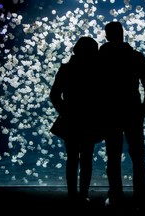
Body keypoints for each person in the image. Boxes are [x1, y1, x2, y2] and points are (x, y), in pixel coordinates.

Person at [98, 21, 145, 211]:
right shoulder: (135, 56)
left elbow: (92, 85)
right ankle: (142, 195)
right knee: (138, 154)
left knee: (113, 155)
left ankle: (115, 195)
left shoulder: (101, 57)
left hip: (110, 111)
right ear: (122, 34)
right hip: (132, 109)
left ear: (107, 36)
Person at [49, 36, 103, 208]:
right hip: (89, 118)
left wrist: (65, 111)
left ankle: (73, 195)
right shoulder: (96, 70)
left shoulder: (66, 69)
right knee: (86, 157)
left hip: (71, 118)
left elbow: (54, 95)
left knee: (72, 158)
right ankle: (82, 195)